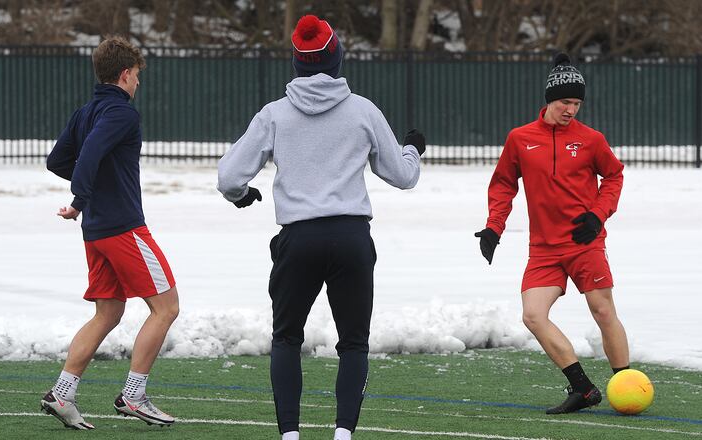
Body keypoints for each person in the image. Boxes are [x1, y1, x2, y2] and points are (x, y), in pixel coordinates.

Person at [217, 15, 423, 440]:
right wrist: (412, 150)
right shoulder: (363, 110)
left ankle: (290, 435)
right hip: (350, 238)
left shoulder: (274, 115)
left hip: (298, 239)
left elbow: (228, 178)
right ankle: (343, 433)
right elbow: (403, 177)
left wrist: (242, 197)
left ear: (297, 63)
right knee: (353, 342)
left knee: (287, 339)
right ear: (337, 58)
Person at [475, 53, 629, 414]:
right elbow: (502, 185)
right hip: (543, 248)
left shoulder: (591, 140)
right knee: (532, 315)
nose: (571, 109)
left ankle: (626, 381)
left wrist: (597, 214)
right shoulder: (520, 138)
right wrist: (494, 227)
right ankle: (583, 388)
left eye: (576, 103)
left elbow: (615, 176)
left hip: (584, 241)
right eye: (565, 102)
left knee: (602, 310)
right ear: (549, 100)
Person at [42, 36, 179, 429]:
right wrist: (80, 199)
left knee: (109, 311)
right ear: (124, 74)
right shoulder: (122, 113)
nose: (138, 83)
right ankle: (134, 396)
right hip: (122, 228)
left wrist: (89, 191)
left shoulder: (85, 111)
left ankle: (62, 393)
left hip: (97, 232)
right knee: (166, 307)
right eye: (136, 76)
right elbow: (86, 157)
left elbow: (57, 160)